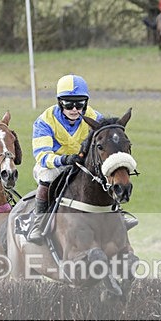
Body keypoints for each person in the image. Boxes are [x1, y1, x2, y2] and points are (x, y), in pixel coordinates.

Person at [27, 74, 103, 244]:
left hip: (84, 166)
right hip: (54, 166)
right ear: (60, 102)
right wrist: (64, 160)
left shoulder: (96, 119)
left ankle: (117, 213)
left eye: (80, 104)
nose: (75, 109)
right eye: (69, 104)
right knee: (46, 176)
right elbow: (42, 156)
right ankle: (38, 223)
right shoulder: (44, 121)